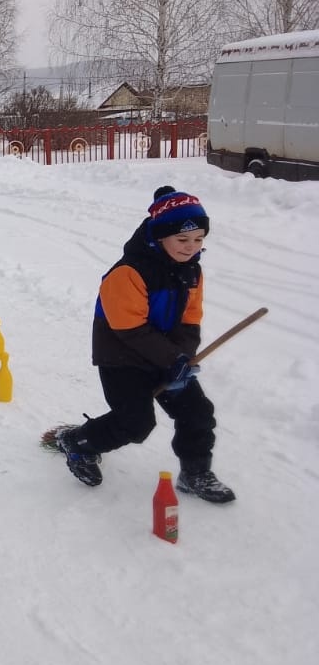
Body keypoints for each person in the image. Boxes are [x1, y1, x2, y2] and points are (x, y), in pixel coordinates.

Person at [50, 186, 235, 503]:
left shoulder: (192, 271)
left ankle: (195, 472)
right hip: (121, 356)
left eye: (199, 239)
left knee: (198, 412)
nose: (191, 248)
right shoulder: (127, 273)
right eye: (182, 240)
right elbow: (129, 328)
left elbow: (190, 319)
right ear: (160, 236)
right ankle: (79, 443)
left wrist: (183, 358)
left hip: (166, 356)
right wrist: (172, 358)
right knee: (136, 423)